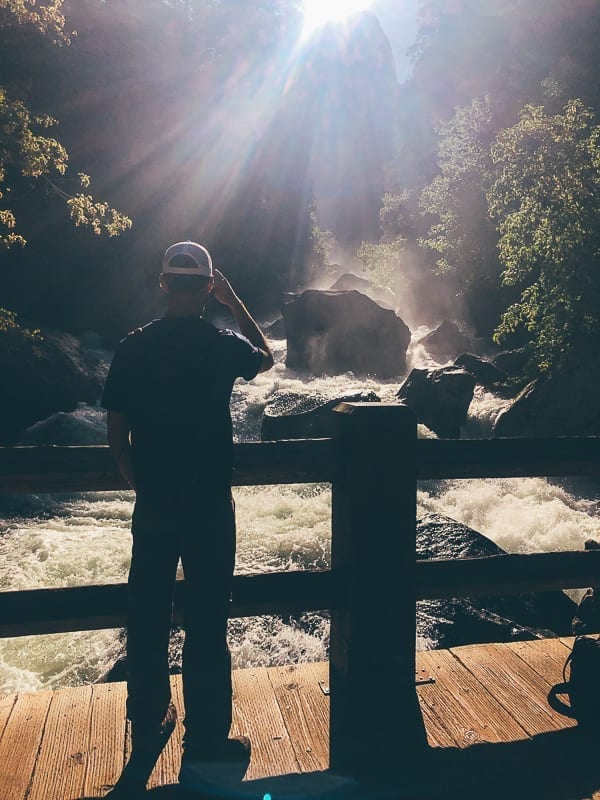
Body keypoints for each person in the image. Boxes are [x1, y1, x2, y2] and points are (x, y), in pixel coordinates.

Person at [102, 241, 274, 797]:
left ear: (161, 283)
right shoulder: (221, 343)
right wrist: (235, 300)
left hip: (154, 500)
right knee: (207, 623)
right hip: (208, 505)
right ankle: (205, 743)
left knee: (147, 614)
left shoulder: (133, 347)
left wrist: (139, 482)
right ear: (205, 288)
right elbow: (266, 355)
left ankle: (148, 720)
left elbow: (115, 433)